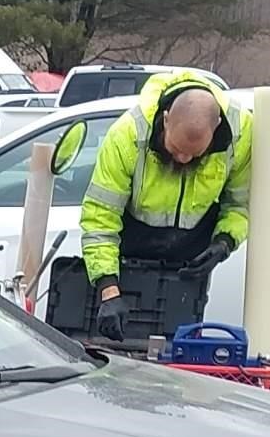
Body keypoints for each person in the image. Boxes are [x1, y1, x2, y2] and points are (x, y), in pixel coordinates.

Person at [80, 70, 253, 340]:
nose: (183, 159)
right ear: (165, 119)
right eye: (174, 148)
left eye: (196, 154)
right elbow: (100, 218)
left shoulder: (241, 136)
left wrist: (224, 242)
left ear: (217, 127)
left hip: (186, 275)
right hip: (128, 259)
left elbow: (240, 205)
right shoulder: (127, 136)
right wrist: (108, 289)